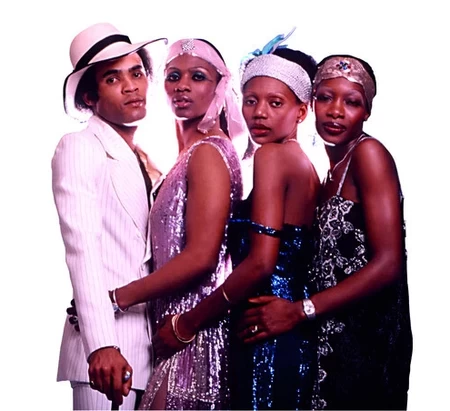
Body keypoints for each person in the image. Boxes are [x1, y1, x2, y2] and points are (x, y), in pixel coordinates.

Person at [150, 32, 321, 410]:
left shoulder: (273, 158)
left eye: (275, 103)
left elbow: (260, 264)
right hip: (278, 330)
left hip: (264, 331)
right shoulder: (301, 164)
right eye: (251, 100)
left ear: (301, 111)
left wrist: (188, 323)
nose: (259, 113)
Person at [238, 54, 413, 410]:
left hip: (368, 339)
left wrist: (299, 310)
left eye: (352, 102)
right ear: (311, 103)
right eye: (325, 97)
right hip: (328, 339)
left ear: (367, 112)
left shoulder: (369, 154)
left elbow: (389, 263)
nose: (335, 111)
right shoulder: (328, 172)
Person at [108, 38, 246, 409]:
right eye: (173, 76)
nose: (182, 85)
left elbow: (202, 256)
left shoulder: (208, 153)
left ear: (219, 87)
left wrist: (118, 298)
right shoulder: (188, 155)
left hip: (194, 336)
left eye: (197, 76)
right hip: (171, 332)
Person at [52, 22, 167, 409]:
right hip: (105, 354)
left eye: (137, 73)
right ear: (90, 97)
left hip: (151, 349)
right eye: (113, 78)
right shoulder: (80, 146)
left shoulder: (143, 159)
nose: (131, 86)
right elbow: (81, 246)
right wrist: (101, 343)